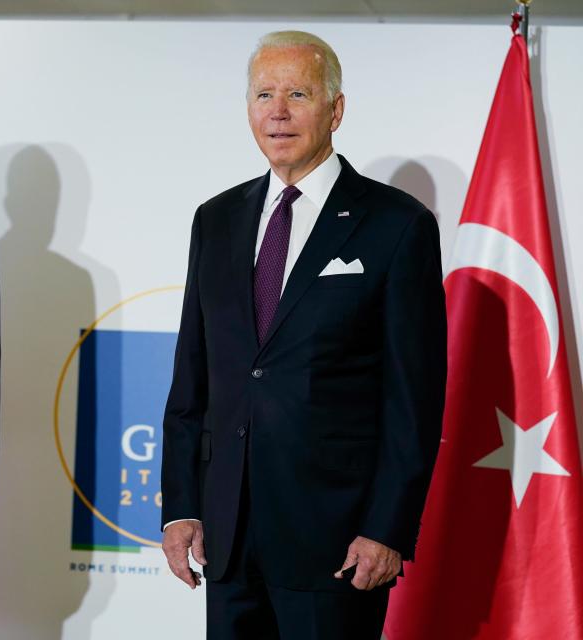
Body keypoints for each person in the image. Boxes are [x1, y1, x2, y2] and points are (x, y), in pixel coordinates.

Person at [160, 31, 446, 639]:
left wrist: (388, 528)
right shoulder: (215, 219)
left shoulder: (397, 225)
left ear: (336, 109)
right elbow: (193, 375)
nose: (278, 111)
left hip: (338, 543)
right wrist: (181, 506)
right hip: (229, 538)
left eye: (298, 93)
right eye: (264, 94)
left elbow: (413, 400)